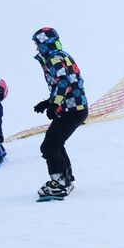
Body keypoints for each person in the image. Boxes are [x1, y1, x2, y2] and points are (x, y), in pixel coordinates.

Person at [31, 27, 89, 199]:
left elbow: (63, 83)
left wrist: (54, 104)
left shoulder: (53, 59)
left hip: (71, 109)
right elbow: (66, 82)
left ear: (44, 44)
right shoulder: (61, 55)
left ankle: (60, 183)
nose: (36, 48)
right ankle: (66, 179)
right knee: (55, 142)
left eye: (37, 44)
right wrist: (49, 102)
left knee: (50, 145)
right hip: (75, 107)